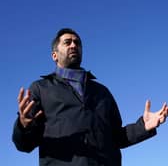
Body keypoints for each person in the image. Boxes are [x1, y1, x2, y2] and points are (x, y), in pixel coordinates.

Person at [12, 28, 168, 166]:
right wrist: (23, 126)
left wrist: (144, 126)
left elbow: (117, 137)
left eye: (77, 43)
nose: (74, 45)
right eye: (67, 42)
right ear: (54, 55)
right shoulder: (41, 88)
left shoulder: (102, 92)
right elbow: (24, 145)